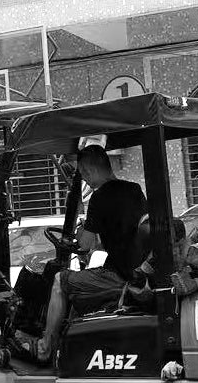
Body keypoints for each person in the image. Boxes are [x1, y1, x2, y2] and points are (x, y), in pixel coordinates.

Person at [29, 145, 147, 363]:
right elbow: (124, 228)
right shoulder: (134, 189)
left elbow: (84, 246)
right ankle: (69, 348)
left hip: (119, 276)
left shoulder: (99, 197)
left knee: (59, 281)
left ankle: (45, 347)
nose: (84, 179)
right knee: (80, 284)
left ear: (88, 170)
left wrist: (83, 229)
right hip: (135, 269)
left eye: (82, 174)